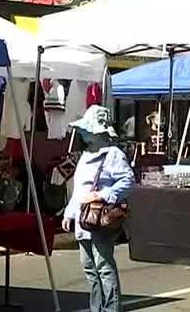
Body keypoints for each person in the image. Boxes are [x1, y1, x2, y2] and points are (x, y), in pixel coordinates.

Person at [62, 106, 135, 312]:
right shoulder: (86, 154)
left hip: (100, 221)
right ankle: (96, 308)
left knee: (103, 267)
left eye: (86, 129)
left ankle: (111, 308)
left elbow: (128, 181)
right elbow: (79, 190)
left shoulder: (113, 154)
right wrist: (70, 213)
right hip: (84, 220)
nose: (83, 133)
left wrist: (102, 195)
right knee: (89, 268)